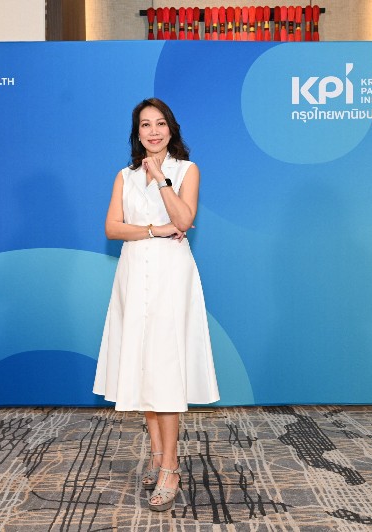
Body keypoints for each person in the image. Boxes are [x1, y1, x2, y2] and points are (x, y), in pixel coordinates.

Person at [93, 98, 220, 511]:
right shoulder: (124, 176)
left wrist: (162, 180)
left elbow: (183, 220)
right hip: (133, 274)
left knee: (165, 368)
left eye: (160, 123)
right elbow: (112, 228)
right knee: (145, 366)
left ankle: (171, 466)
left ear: (171, 129)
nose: (153, 131)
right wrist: (154, 229)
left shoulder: (186, 170)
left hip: (171, 276)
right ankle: (156, 453)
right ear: (137, 132)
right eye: (145, 125)